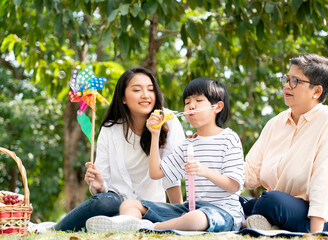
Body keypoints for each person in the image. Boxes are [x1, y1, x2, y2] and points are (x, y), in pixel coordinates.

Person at [85, 77, 245, 233]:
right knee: (129, 204)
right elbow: (156, 173)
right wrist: (155, 134)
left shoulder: (229, 139)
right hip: (191, 209)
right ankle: (127, 224)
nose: (191, 106)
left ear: (217, 107)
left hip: (224, 212)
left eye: (198, 101)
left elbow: (233, 185)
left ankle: (146, 227)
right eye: (187, 102)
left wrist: (204, 171)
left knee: (195, 218)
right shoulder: (188, 145)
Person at [52, 67, 185, 232]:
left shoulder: (168, 121)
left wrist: (179, 214)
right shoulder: (110, 129)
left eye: (150, 90)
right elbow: (102, 187)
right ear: (123, 98)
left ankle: (123, 225)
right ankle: (55, 230)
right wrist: (99, 185)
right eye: (137, 90)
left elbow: (171, 176)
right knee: (105, 201)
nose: (145, 95)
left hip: (151, 208)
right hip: (114, 206)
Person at [240, 53, 328, 233]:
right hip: (278, 210)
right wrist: (212, 159)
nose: (287, 86)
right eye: (287, 79)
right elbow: (249, 174)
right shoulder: (275, 123)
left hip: (319, 219)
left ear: (317, 91)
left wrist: (315, 234)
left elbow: (324, 182)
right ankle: (265, 225)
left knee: (270, 201)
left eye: (295, 81)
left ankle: (255, 224)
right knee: (235, 203)